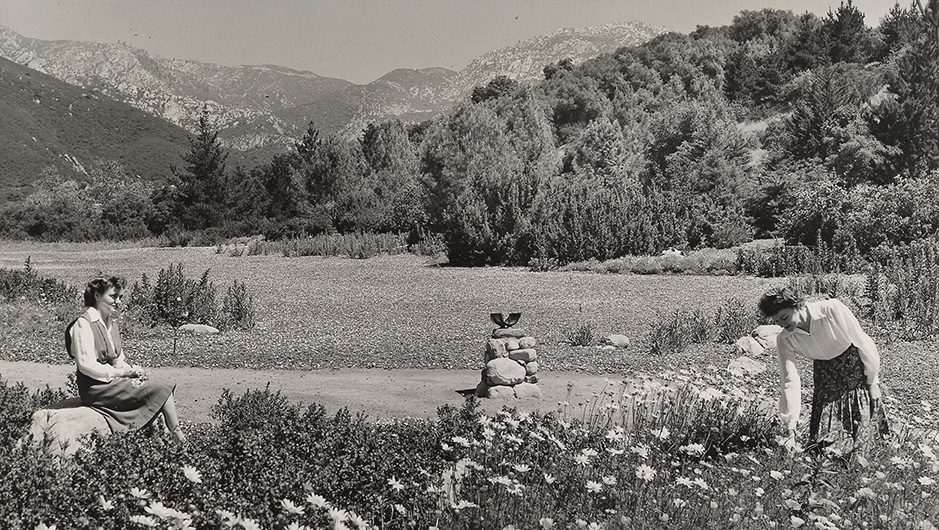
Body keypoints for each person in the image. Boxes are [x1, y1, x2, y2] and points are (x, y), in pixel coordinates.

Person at [758, 287, 888, 454]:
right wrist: (790, 426)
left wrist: (873, 382)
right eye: (777, 321)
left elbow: (862, 342)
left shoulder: (832, 310)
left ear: (796, 305)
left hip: (854, 373)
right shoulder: (785, 339)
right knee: (825, 449)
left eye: (784, 317)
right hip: (825, 379)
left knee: (866, 449)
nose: (782, 324)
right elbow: (790, 381)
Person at [65, 276, 186, 443]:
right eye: (113, 296)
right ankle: (178, 437)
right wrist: (118, 373)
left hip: (112, 382)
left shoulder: (111, 324)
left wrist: (131, 371)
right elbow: (86, 365)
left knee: (155, 383)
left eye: (120, 297)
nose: (118, 301)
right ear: (97, 296)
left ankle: (167, 435)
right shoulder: (84, 323)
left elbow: (118, 359)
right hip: (96, 386)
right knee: (161, 387)